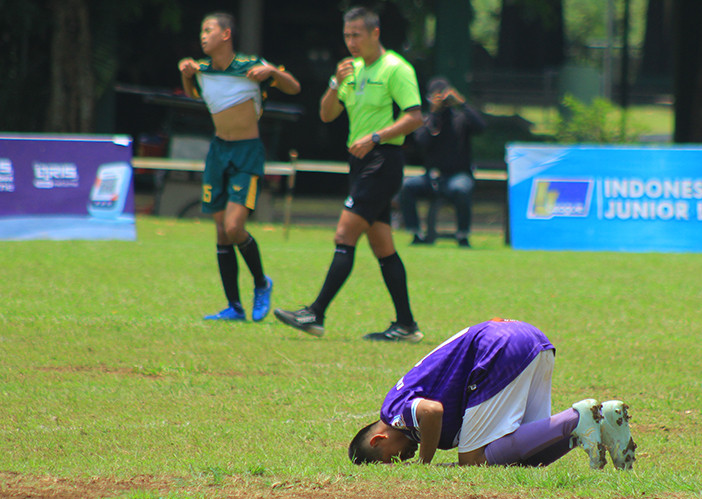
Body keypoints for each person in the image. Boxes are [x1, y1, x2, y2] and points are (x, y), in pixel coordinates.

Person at [274, 7, 423, 341]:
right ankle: (406, 326)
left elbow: (415, 117)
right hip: (360, 164)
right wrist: (333, 83)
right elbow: (327, 115)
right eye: (347, 35)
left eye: (357, 35)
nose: (351, 42)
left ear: (375, 33)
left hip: (383, 160)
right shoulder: (350, 70)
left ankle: (315, 313)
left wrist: (375, 137)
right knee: (383, 246)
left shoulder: (396, 68)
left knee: (344, 235)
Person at [347, 319, 637, 469]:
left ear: (379, 439)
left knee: (472, 461)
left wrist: (426, 464)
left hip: (499, 350)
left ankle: (577, 419)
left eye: (392, 459)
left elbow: (431, 411)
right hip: (530, 341)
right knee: (522, 460)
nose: (404, 460)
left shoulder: (392, 410)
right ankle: (599, 420)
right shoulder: (406, 424)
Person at [178, 12, 301, 322]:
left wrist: (272, 70)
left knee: (234, 227)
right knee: (221, 231)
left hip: (246, 152)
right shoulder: (202, 69)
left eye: (209, 30)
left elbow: (294, 87)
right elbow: (194, 94)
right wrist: (186, 73)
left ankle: (262, 283)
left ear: (226, 35)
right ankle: (234, 307)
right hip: (218, 151)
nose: (203, 35)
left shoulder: (250, 66)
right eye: (201, 30)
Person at [399, 76, 486, 247]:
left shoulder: (461, 118)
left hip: (457, 175)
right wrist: (433, 113)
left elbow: (481, 127)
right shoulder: (428, 120)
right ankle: (415, 233)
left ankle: (462, 235)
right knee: (406, 187)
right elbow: (421, 141)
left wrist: (462, 103)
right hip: (431, 177)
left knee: (461, 189)